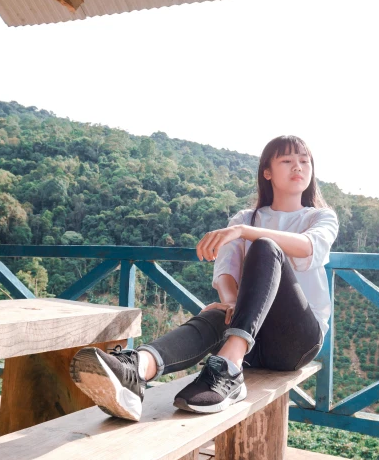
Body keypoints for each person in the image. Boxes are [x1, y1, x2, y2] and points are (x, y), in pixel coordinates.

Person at [70, 135, 339, 421]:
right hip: (252, 337)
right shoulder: (244, 218)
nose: (298, 167)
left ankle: (229, 369)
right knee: (217, 314)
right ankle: (136, 369)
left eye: (304, 161)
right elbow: (224, 273)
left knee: (265, 247)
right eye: (287, 161)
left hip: (296, 341)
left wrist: (246, 233)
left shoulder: (320, 217)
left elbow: (310, 247)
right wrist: (231, 302)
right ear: (267, 172)